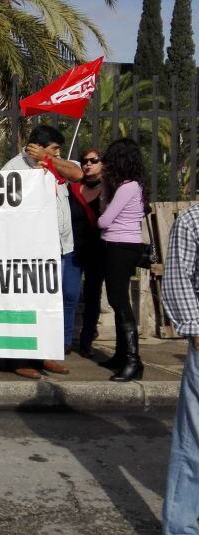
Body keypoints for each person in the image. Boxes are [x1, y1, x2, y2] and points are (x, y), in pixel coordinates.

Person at [2, 125, 83, 379]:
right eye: (54, 148)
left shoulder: (56, 163)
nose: (59, 153)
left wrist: (48, 160)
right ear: (36, 146)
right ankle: (20, 358)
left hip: (62, 246)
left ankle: (48, 354)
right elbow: (3, 203)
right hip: (30, 250)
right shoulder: (14, 168)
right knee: (27, 302)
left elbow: (77, 174)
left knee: (59, 300)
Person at [160, 203, 199, 533]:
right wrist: (196, 330)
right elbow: (176, 278)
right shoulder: (193, 219)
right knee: (194, 447)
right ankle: (180, 528)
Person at [96, 138, 147, 382]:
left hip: (121, 246)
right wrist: (106, 186)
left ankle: (133, 360)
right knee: (117, 301)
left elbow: (103, 220)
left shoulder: (128, 187)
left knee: (119, 301)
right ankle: (121, 354)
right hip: (119, 245)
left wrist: (105, 202)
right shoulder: (129, 186)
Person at [69, 148, 105, 357]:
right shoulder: (72, 188)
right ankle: (64, 338)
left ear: (103, 164)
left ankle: (86, 340)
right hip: (72, 249)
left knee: (93, 295)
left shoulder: (109, 190)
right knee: (69, 294)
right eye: (84, 161)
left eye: (94, 160)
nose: (88, 164)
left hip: (98, 250)